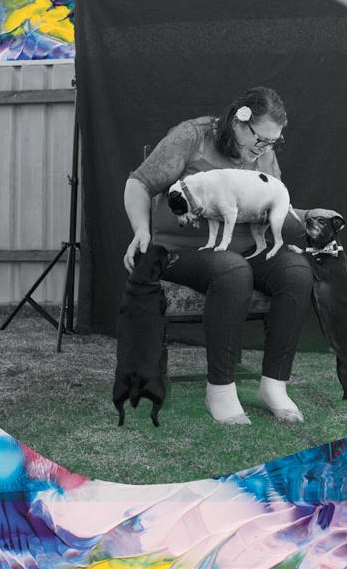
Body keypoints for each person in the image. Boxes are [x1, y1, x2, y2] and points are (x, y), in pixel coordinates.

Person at [123, 87, 313, 425]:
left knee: (296, 271)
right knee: (232, 269)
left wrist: (308, 218)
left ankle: (274, 386)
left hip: (246, 245)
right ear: (239, 121)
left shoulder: (264, 156)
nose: (264, 148)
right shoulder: (193, 136)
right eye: (260, 139)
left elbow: (275, 208)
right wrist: (141, 229)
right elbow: (138, 183)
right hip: (183, 250)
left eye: (273, 142)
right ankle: (220, 391)